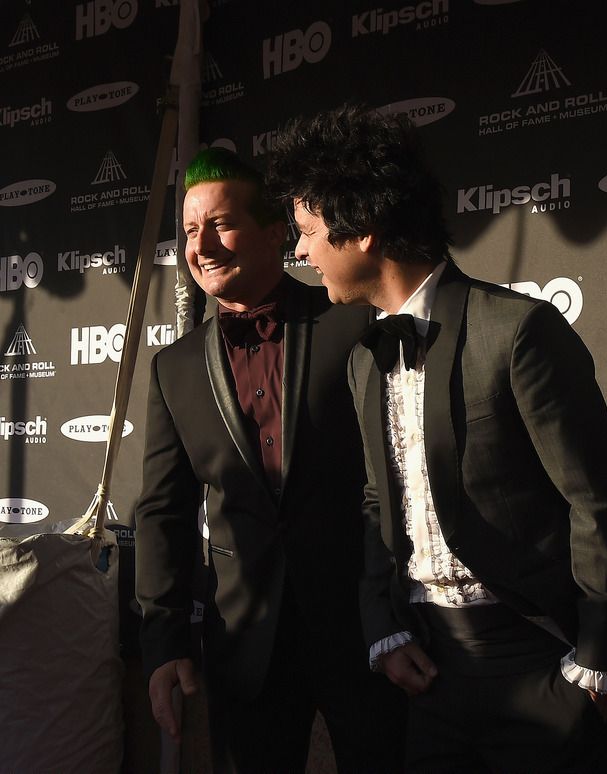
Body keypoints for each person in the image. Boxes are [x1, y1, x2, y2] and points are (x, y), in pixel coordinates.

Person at [265, 105, 607, 773]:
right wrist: (383, 629)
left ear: (363, 231)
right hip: (430, 672)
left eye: (307, 232)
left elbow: (596, 503)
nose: (298, 252)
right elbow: (375, 504)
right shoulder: (364, 357)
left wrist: (598, 667)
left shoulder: (517, 331)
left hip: (537, 663)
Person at [135, 147, 403, 773]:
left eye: (221, 224)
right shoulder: (172, 369)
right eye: (191, 230)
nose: (202, 245)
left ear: (276, 233)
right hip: (244, 647)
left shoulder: (352, 322)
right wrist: (162, 644)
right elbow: (161, 513)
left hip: (367, 635)